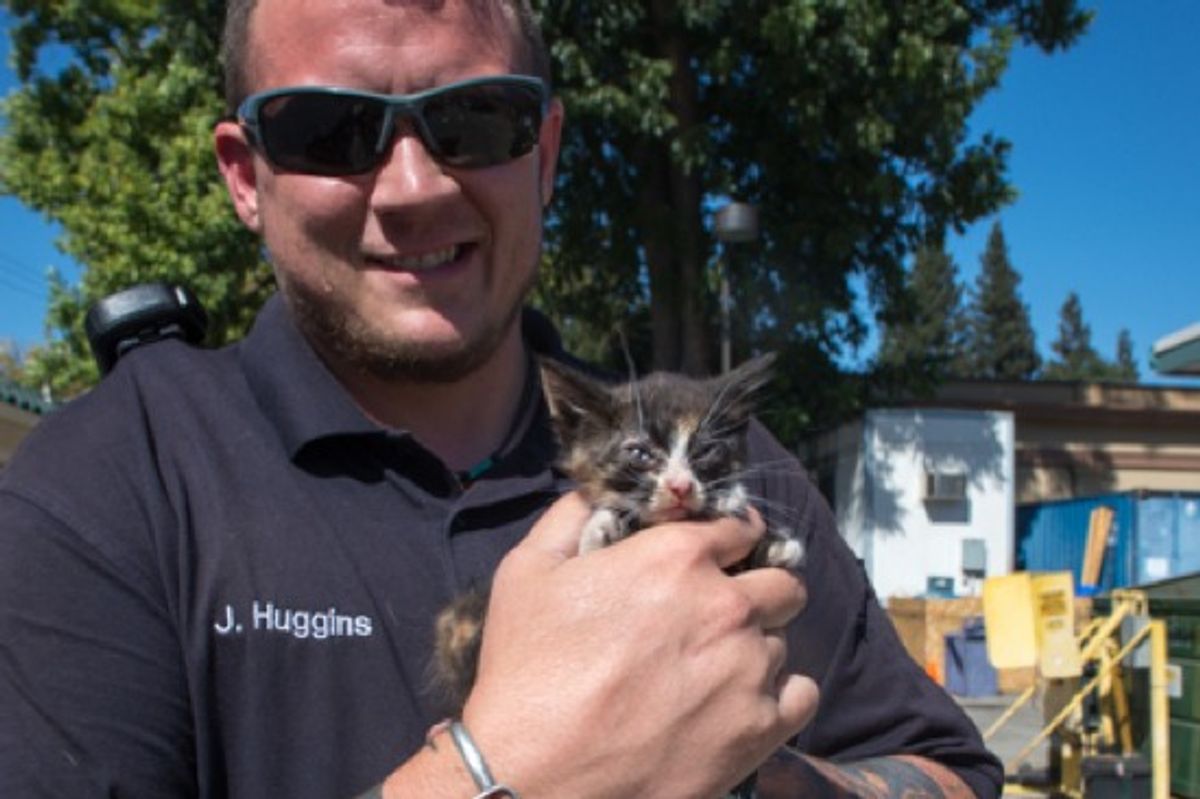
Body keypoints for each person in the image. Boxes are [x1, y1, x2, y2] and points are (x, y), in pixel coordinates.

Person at [0, 1, 1002, 797]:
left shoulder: (735, 465)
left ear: (547, 152)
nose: (413, 187)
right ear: (244, 174)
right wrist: (511, 773)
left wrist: (754, 777)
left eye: (475, 120)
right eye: (331, 129)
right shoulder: (106, 486)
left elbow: (957, 772)